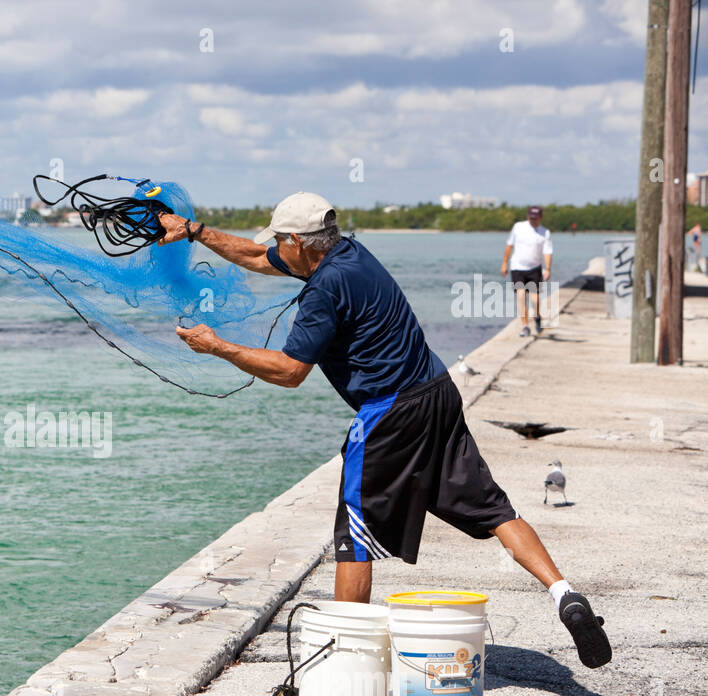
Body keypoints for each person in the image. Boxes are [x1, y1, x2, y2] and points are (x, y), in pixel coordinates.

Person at [159, 192, 610, 668]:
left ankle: (346, 660)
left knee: (355, 535)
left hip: (390, 415)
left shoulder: (322, 292)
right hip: (438, 393)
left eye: (281, 242)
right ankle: (564, 594)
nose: (275, 250)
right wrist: (194, 231)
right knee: (495, 510)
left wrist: (217, 347)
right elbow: (256, 257)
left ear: (298, 240)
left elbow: (290, 372)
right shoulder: (350, 252)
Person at [501, 205, 552, 336]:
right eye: (531, 218)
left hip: (535, 269)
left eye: (535, 218)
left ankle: (538, 317)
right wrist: (504, 263)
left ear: (540, 218)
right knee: (521, 295)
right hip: (517, 267)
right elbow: (509, 245)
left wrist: (547, 268)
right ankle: (525, 326)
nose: (532, 220)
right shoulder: (518, 227)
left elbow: (547, 252)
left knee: (535, 299)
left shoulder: (545, 232)